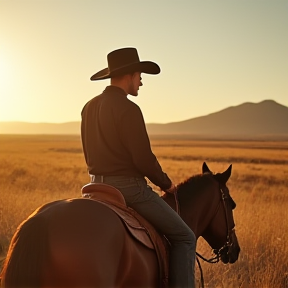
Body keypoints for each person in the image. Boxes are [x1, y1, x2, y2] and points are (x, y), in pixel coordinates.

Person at [81, 47, 196, 288]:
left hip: (95, 186)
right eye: (140, 75)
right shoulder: (129, 109)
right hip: (129, 190)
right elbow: (143, 159)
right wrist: (167, 184)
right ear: (129, 75)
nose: (141, 82)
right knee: (185, 237)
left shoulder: (89, 107)